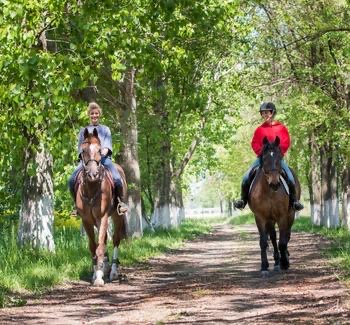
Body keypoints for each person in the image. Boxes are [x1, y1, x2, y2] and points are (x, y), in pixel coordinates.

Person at [234, 102, 304, 211]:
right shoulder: (259, 130)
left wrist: (278, 153)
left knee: (290, 176)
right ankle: (243, 200)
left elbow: (286, 142)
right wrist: (261, 152)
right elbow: (255, 143)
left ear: (272, 113)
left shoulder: (281, 128)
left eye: (267, 113)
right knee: (246, 176)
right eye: (263, 113)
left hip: (276, 159)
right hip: (262, 159)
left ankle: (294, 201)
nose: (265, 115)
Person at [68, 102, 128, 214]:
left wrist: (99, 156)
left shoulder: (105, 129)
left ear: (99, 114)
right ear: (89, 115)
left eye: (96, 113)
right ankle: (76, 206)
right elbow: (80, 148)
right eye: (92, 114)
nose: (94, 115)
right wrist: (86, 157)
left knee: (117, 178)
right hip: (86, 161)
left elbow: (107, 146)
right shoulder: (83, 131)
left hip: (103, 159)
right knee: (71, 180)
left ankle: (120, 203)